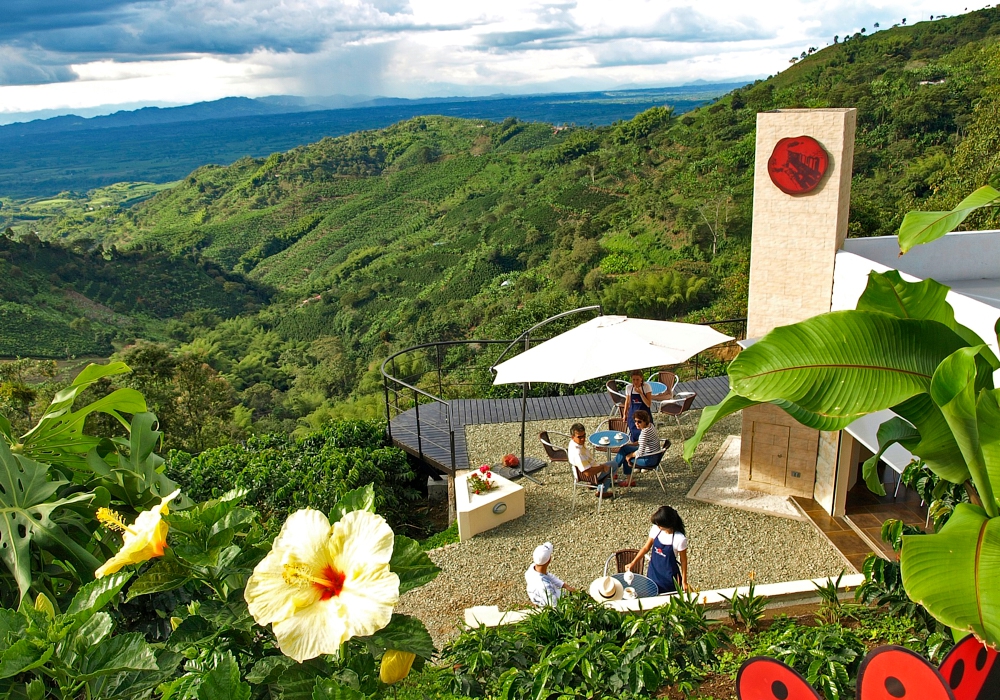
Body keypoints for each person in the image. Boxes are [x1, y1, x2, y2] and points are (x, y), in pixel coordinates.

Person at [627, 506, 689, 594]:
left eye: (660, 525)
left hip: (669, 578)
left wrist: (684, 581)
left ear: (668, 524)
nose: (658, 526)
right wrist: (633, 563)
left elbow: (683, 561)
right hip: (653, 572)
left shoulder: (679, 539)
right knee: (651, 594)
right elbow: (646, 548)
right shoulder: (656, 529)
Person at [566, 423, 617, 498]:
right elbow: (587, 473)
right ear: (572, 437)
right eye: (580, 437)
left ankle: (593, 484)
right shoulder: (578, 453)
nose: (583, 439)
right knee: (614, 465)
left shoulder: (572, 443)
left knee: (608, 465)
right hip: (591, 475)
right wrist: (602, 467)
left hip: (580, 472)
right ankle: (601, 491)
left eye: (584, 435)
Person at [613, 409, 661, 487]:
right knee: (624, 448)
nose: (636, 424)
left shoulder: (645, 433)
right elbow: (642, 442)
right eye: (635, 421)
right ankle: (613, 471)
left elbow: (640, 452)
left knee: (626, 457)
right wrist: (631, 444)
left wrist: (630, 455)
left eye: (639, 422)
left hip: (649, 459)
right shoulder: (650, 426)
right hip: (654, 454)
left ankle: (624, 478)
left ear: (645, 421)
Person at [525, 541, 575, 606]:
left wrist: (566, 586)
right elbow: (554, 605)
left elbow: (548, 576)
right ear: (549, 560)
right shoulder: (544, 587)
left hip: (545, 595)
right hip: (553, 603)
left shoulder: (533, 568)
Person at [622, 370, 653, 441]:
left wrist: (641, 393)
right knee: (634, 434)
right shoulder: (629, 388)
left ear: (641, 379)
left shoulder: (646, 387)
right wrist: (625, 414)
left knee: (645, 436)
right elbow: (627, 401)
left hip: (644, 415)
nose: (635, 382)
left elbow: (648, 404)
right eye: (633, 380)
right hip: (633, 415)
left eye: (637, 379)